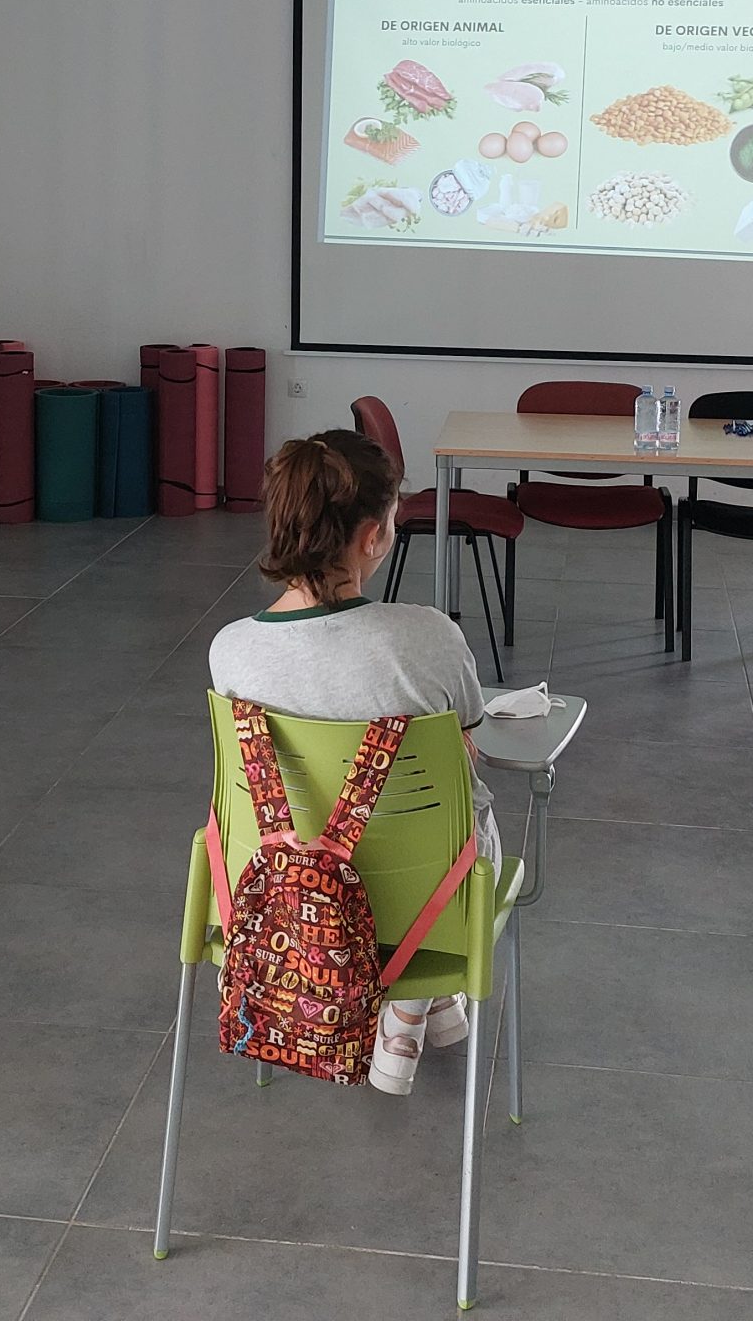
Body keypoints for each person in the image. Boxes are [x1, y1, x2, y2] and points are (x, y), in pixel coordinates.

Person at [208, 429, 498, 1096]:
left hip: (282, 909)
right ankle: (410, 1006)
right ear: (371, 537)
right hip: (429, 903)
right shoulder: (428, 638)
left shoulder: (231, 653)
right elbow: (469, 744)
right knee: (466, 813)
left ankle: (411, 1015)